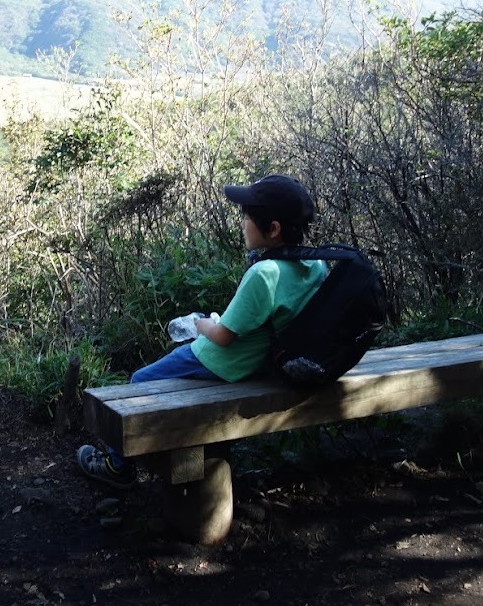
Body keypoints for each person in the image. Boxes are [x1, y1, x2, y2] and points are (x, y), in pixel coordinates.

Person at [76, 174, 329, 489]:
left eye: (248, 217)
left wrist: (201, 324)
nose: (243, 223)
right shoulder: (317, 265)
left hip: (223, 362)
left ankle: (117, 467)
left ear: (273, 229)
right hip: (263, 362)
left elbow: (223, 336)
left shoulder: (265, 273)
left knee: (140, 382)